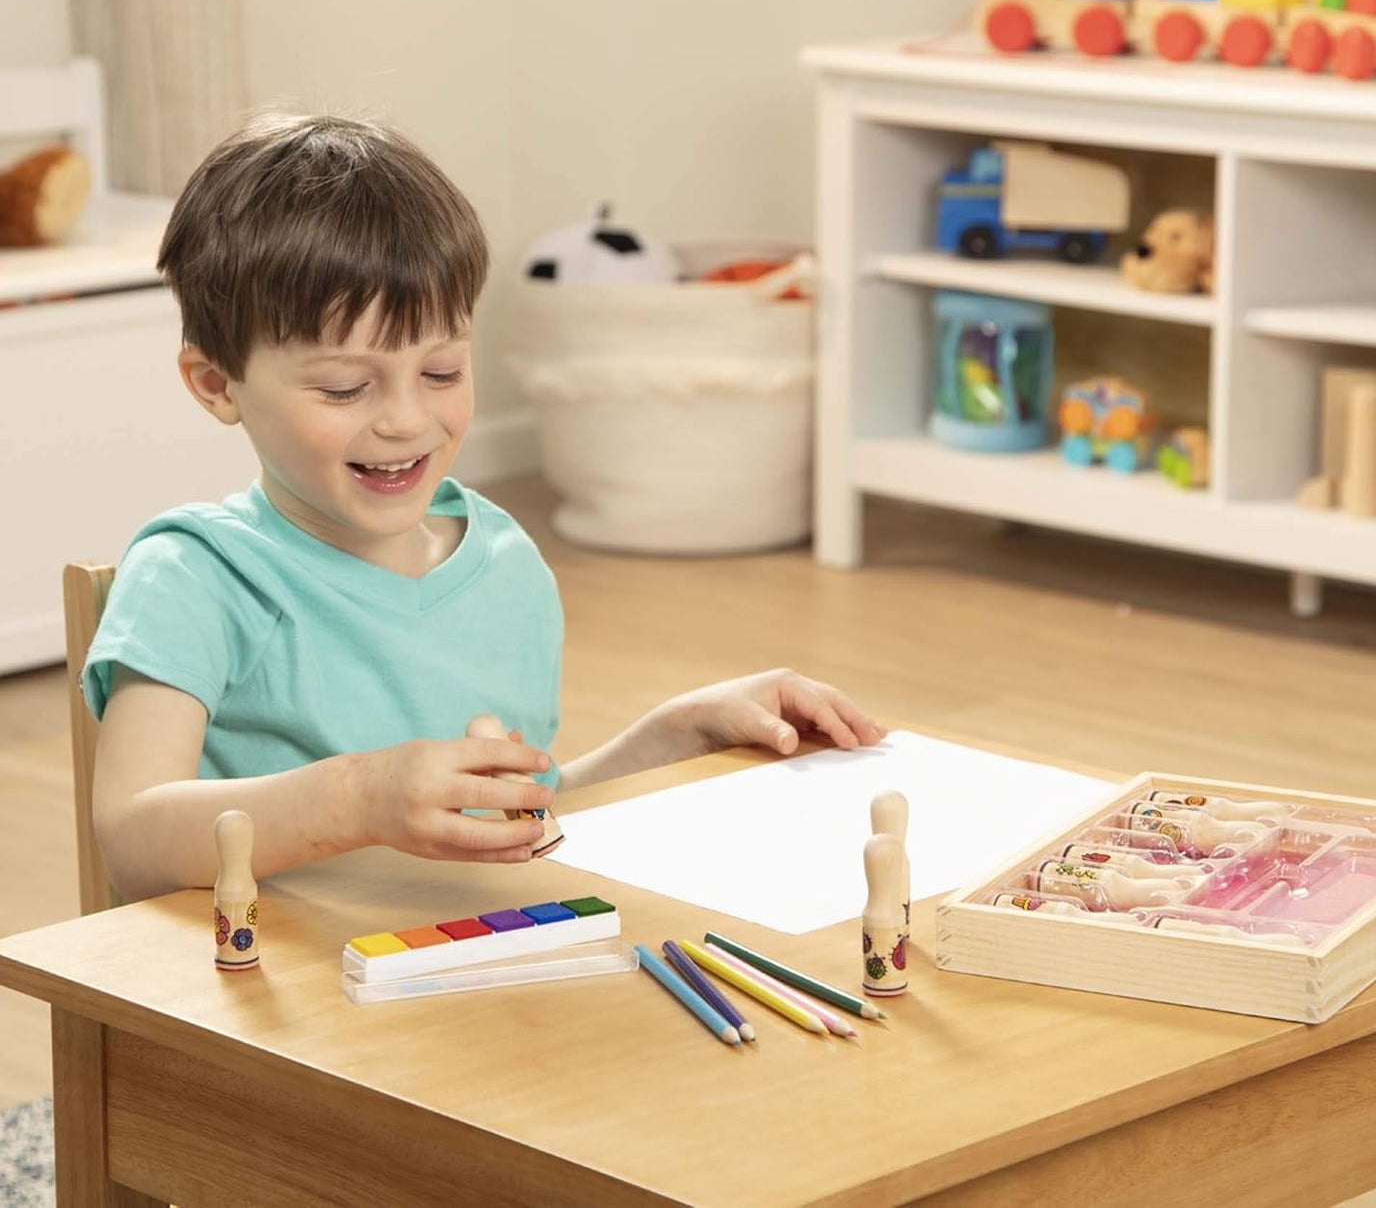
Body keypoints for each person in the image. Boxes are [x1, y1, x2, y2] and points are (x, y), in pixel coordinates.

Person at [85, 114, 883, 901]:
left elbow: (524, 810)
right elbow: (131, 840)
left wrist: (683, 732)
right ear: (217, 384)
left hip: (468, 978)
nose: (405, 418)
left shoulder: (502, 559)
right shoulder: (194, 575)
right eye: (343, 387)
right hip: (282, 1003)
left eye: (439, 371)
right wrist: (357, 799)